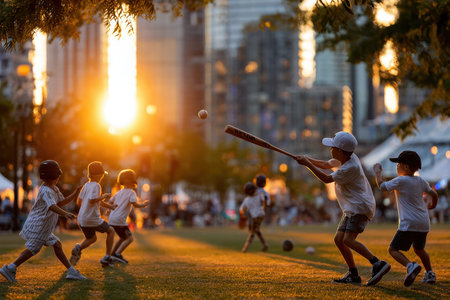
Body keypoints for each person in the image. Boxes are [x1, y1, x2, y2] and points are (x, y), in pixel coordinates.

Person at [295, 131, 390, 286]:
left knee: (347, 240)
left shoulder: (350, 167)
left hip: (359, 207)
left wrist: (307, 164)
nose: (330, 149)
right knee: (339, 240)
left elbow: (326, 178)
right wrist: (305, 159)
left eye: (332, 147)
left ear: (339, 151)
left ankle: (378, 263)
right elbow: (326, 165)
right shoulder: (348, 157)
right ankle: (353, 275)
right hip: (352, 208)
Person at [0, 160, 86, 282]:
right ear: (53, 175)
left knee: (57, 244)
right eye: (58, 174)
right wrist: (65, 214)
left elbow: (60, 203)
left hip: (44, 227)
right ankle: (10, 268)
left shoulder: (54, 189)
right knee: (32, 249)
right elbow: (52, 206)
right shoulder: (45, 190)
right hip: (39, 225)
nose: (59, 177)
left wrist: (75, 194)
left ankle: (71, 271)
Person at [373, 150, 438, 286]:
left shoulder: (401, 180)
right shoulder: (421, 181)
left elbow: (382, 186)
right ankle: (430, 273)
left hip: (409, 223)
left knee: (393, 250)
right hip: (423, 223)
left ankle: (410, 266)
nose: (396, 166)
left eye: (398, 164)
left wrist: (378, 173)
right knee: (419, 249)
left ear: (407, 167)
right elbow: (433, 194)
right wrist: (432, 205)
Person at [69, 161, 117, 267]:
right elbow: (92, 200)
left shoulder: (86, 185)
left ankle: (78, 248)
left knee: (92, 238)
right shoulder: (96, 186)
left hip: (82, 219)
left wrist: (111, 207)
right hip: (92, 218)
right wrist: (103, 197)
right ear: (99, 174)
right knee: (111, 231)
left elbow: (79, 201)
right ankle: (107, 258)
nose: (102, 176)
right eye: (102, 174)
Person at [108, 169, 150, 264]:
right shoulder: (131, 192)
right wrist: (143, 204)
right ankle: (117, 254)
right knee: (129, 238)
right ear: (133, 181)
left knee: (123, 237)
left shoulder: (119, 192)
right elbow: (135, 204)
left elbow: (110, 202)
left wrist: (108, 210)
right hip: (120, 220)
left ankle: (112, 254)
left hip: (112, 219)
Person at [240, 182, 268, 253]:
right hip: (261, 215)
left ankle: (245, 247)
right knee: (256, 230)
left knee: (252, 232)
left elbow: (241, 209)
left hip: (256, 217)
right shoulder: (259, 195)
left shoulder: (247, 200)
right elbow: (264, 202)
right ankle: (265, 245)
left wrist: (243, 216)